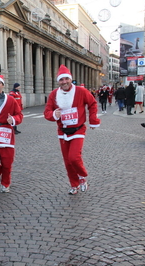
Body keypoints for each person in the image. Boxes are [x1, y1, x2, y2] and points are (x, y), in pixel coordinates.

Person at [44, 65, 100, 195]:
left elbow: (92, 104)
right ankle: (74, 184)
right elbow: (47, 112)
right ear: (58, 81)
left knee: (74, 157)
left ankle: (82, 176)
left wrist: (93, 120)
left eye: (66, 79)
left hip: (78, 129)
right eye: (61, 80)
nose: (64, 82)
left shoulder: (81, 91)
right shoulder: (54, 94)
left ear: (70, 79)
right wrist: (53, 115)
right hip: (62, 131)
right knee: (68, 161)